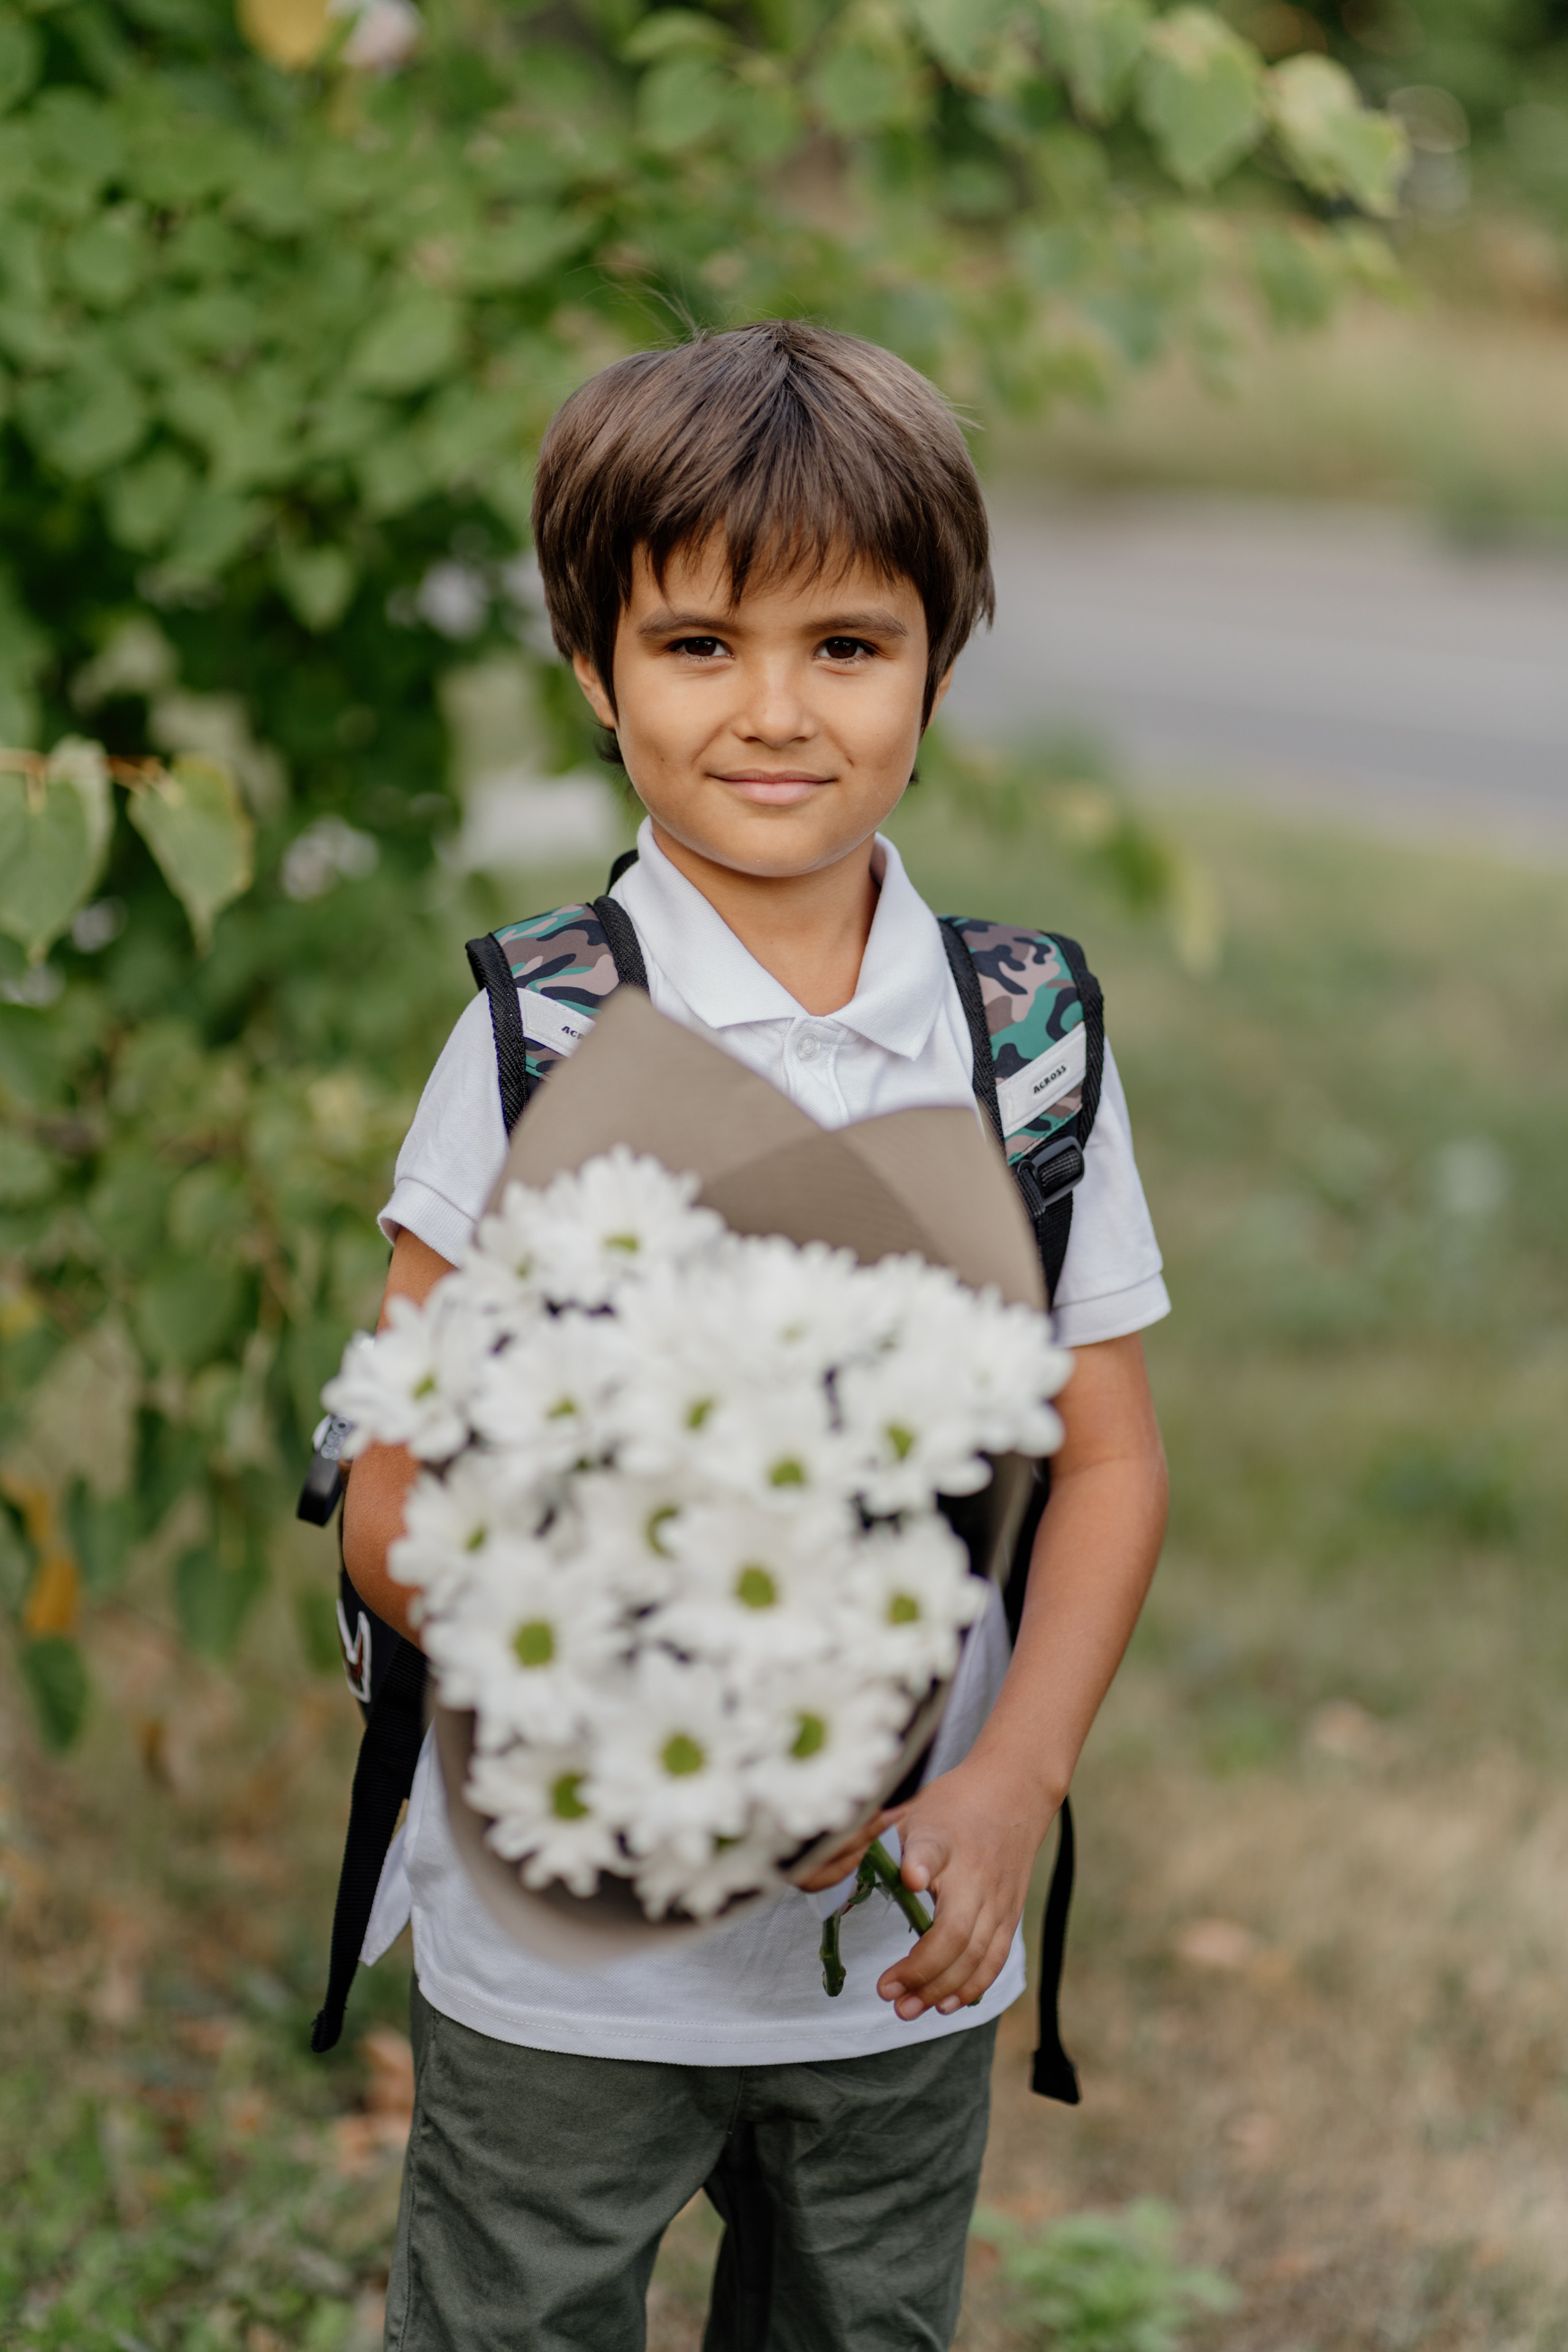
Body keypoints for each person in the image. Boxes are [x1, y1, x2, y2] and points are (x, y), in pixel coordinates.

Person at [343, 320, 1170, 2352]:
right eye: (700, 644)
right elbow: (388, 1496)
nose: (773, 710)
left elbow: (1114, 1458)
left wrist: (1012, 1784)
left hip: (895, 1939)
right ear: (595, 673)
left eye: (848, 644)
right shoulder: (543, 1033)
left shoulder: (1019, 1038)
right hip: (572, 1968)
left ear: (938, 670)